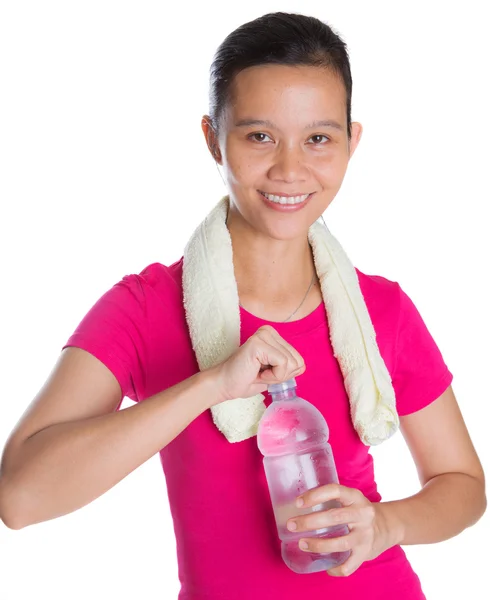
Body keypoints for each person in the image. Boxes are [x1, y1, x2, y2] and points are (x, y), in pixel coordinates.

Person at [0, 11, 486, 600]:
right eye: (259, 136)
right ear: (212, 139)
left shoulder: (382, 310)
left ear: (352, 142)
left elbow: (462, 485)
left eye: (318, 138)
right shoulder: (145, 309)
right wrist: (210, 386)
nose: (289, 169)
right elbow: (20, 498)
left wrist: (387, 524)